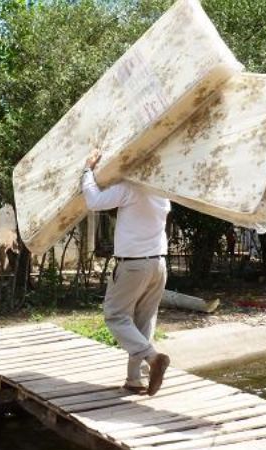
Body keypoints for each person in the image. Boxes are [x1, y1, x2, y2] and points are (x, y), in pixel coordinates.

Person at [81, 149, 172, 396]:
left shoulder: (130, 188)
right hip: (158, 264)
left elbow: (94, 201)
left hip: (133, 265)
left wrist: (87, 170)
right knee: (144, 321)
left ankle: (153, 358)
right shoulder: (163, 193)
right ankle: (135, 379)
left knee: (115, 315)